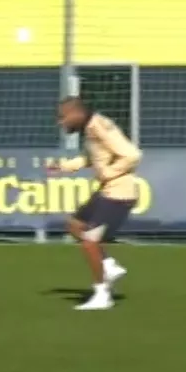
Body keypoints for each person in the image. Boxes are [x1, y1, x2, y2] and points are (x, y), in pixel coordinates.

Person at [46, 97, 140, 311]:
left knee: (89, 241)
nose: (61, 123)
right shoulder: (90, 129)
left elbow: (132, 154)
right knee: (74, 224)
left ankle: (102, 295)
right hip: (107, 192)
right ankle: (108, 265)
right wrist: (64, 167)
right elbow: (92, 159)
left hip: (119, 194)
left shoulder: (99, 127)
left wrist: (108, 173)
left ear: (76, 113)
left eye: (63, 117)